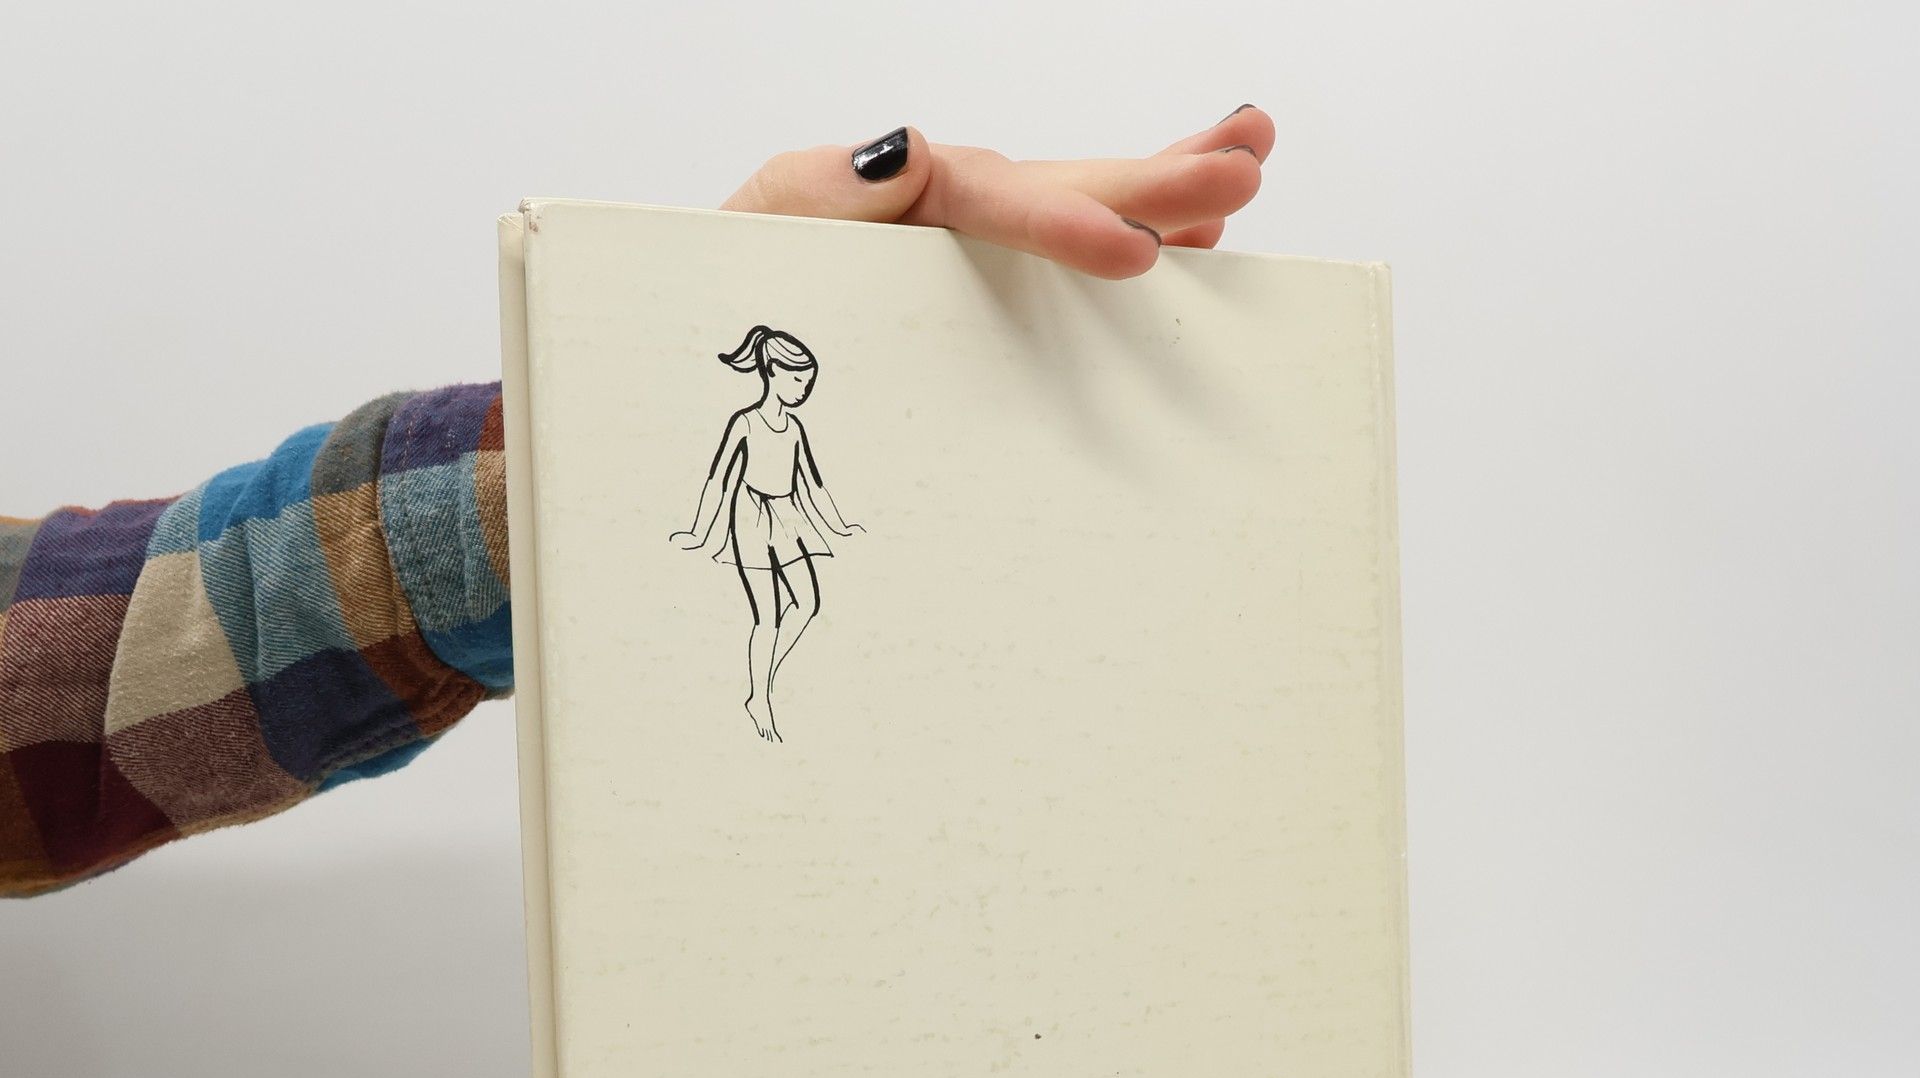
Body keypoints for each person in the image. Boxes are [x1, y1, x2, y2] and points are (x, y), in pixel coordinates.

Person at [0, 112, 1271, 897]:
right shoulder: (750, 427)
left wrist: (604, 448)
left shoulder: (771, 420)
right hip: (742, 534)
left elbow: (90, 669)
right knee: (781, 627)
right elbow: (87, 698)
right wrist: (648, 481)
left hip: (768, 532)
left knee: (800, 617)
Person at [671, 325, 860, 743]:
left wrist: (840, 526)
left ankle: (762, 680)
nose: (803, 391)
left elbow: (813, 485)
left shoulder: (794, 428)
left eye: (808, 384)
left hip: (787, 515)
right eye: (798, 381)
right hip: (749, 516)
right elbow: (718, 479)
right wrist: (699, 533)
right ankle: (761, 698)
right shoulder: (745, 422)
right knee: (768, 617)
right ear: (772, 370)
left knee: (807, 603)